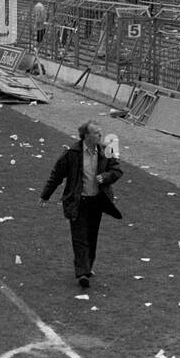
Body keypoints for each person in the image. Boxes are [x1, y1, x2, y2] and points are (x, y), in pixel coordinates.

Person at [39, 121, 123, 289]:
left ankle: (87, 266)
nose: (100, 135)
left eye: (100, 132)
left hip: (96, 201)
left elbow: (117, 170)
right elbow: (57, 174)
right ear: (86, 136)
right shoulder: (72, 153)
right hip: (78, 201)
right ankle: (82, 272)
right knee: (79, 238)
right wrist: (45, 195)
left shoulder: (106, 151)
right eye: (96, 133)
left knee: (92, 236)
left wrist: (105, 177)